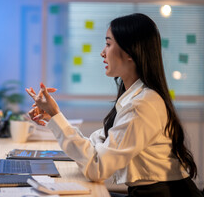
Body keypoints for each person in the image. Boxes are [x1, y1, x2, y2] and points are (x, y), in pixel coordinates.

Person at [26, 13, 202, 196]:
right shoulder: (134, 97)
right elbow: (97, 145)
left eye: (108, 44)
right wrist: (54, 117)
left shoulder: (142, 105)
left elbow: (97, 168)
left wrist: (56, 116)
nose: (102, 52)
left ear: (130, 52)